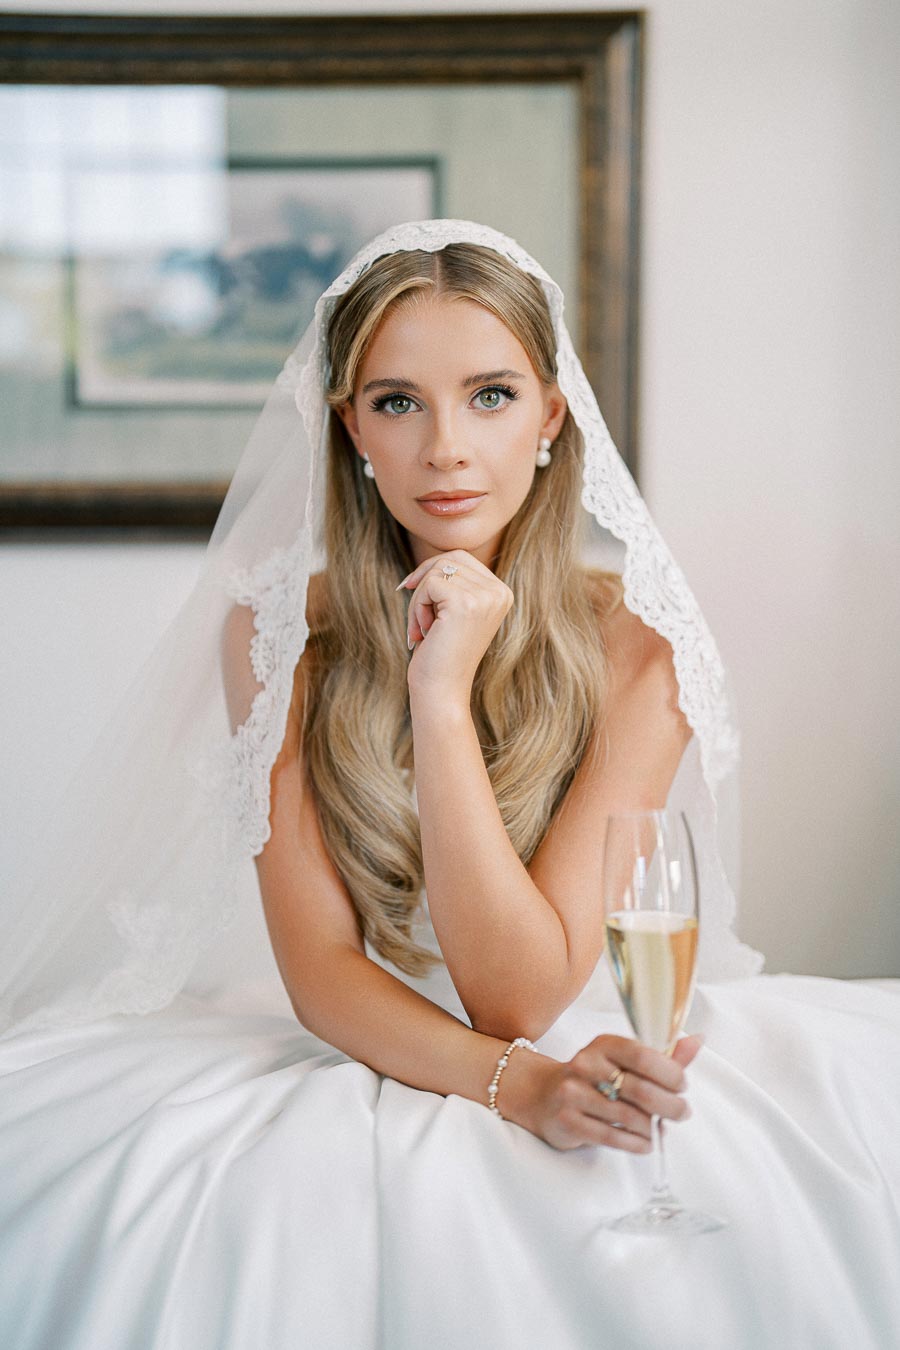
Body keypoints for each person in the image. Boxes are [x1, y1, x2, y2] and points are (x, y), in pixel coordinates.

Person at [0, 219, 898, 1350]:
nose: (445, 450)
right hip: (365, 1041)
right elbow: (323, 968)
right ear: (349, 429)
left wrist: (445, 695)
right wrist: (515, 1086)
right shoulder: (278, 634)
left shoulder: (641, 651)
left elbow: (518, 994)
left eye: (488, 396)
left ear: (550, 418)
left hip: (585, 1026)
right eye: (395, 401)